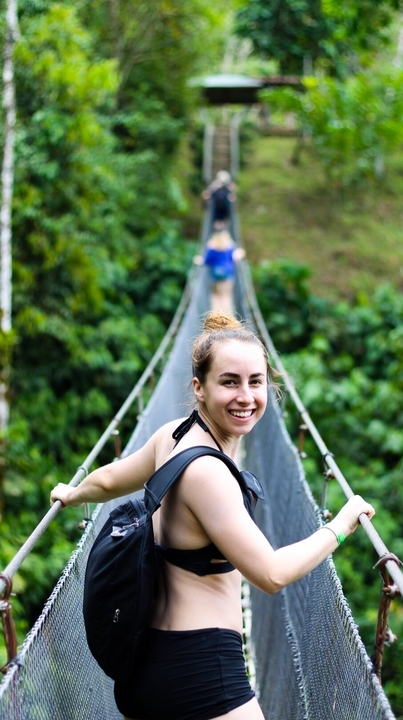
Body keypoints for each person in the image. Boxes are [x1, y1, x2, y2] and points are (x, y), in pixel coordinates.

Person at [50, 311, 375, 720]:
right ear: (198, 388)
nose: (246, 396)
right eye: (229, 382)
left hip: (144, 662)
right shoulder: (209, 474)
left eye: (256, 382)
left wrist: (74, 492)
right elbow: (270, 574)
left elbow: (113, 478)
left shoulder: (173, 435)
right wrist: (340, 526)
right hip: (200, 671)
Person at [194, 229, 245, 314]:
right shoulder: (230, 247)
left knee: (216, 296)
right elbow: (234, 259)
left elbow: (206, 261)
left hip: (215, 274)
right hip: (228, 273)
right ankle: (227, 316)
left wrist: (198, 260)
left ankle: (216, 316)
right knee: (226, 296)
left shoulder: (212, 248)